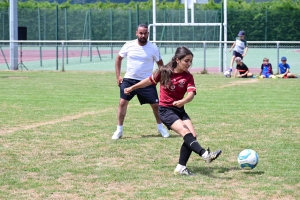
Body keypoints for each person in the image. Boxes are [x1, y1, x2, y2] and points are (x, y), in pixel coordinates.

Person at [124, 46, 222, 176]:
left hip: (180, 110)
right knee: (185, 132)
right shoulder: (164, 72)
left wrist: (183, 101)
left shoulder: (188, 77)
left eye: (190, 61)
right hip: (165, 110)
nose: (189, 64)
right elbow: (148, 81)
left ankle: (181, 167)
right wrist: (132, 88)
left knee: (192, 136)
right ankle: (205, 154)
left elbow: (191, 94)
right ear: (177, 59)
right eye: (186, 61)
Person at [112, 23, 170, 140]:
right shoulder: (129, 45)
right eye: (141, 33)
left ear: (148, 34)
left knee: (155, 105)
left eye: (145, 33)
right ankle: (119, 130)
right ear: (136, 33)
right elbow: (118, 58)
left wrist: (161, 79)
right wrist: (118, 76)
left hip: (146, 81)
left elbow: (161, 65)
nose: (143, 35)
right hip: (129, 80)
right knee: (122, 103)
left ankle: (160, 127)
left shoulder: (153, 48)